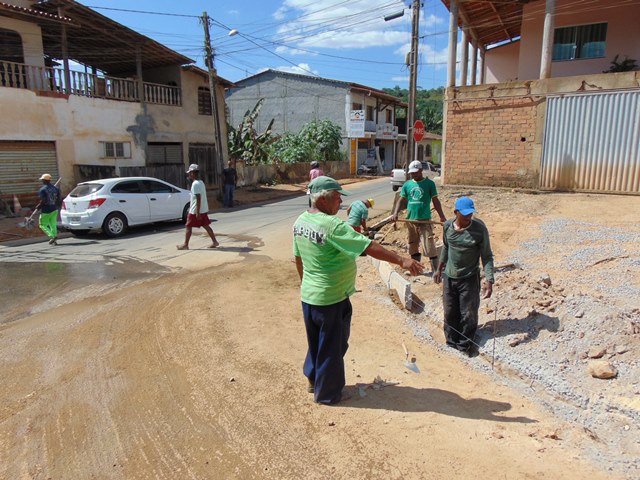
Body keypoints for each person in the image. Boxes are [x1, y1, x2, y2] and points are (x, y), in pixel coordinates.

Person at [293, 176, 423, 405]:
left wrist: (306, 285)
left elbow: (298, 258)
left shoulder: (301, 222)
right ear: (323, 199)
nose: (339, 204)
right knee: (334, 346)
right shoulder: (332, 225)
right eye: (336, 198)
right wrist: (402, 261)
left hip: (310, 297)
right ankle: (328, 394)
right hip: (332, 297)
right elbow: (368, 246)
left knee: (317, 342)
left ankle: (314, 379)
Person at [433, 197, 494, 357]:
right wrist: (439, 268)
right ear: (456, 213)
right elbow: (446, 247)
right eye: (464, 215)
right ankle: (451, 344)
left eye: (470, 214)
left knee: (468, 313)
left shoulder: (479, 229)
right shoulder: (448, 227)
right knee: (450, 311)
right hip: (450, 277)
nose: (468, 218)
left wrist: (489, 279)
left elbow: (487, 256)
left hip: (469, 278)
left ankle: (465, 346)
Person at [391, 160, 447, 273]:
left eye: (416, 172)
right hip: (411, 221)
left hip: (424, 221)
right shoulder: (407, 185)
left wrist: (442, 216)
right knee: (413, 246)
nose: (414, 175)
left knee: (429, 247)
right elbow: (400, 200)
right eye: (412, 173)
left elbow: (435, 201)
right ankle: (415, 270)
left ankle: (436, 272)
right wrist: (395, 213)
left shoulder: (429, 184)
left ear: (421, 171)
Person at [177, 164, 219, 250]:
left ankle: (185, 244)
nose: (189, 175)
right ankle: (215, 241)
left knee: (188, 226)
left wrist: (197, 212)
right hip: (202, 209)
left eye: (190, 173)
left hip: (195, 210)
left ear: (193, 173)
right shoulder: (201, 182)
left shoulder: (195, 184)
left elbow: (198, 198)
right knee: (206, 225)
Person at [35, 173, 60, 246]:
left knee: (42, 224)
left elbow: (43, 200)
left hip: (46, 210)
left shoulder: (43, 189)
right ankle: (54, 236)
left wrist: (39, 206)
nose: (42, 181)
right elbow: (58, 199)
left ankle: (52, 236)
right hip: (54, 209)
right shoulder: (56, 189)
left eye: (42, 180)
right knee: (53, 224)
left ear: (44, 180)